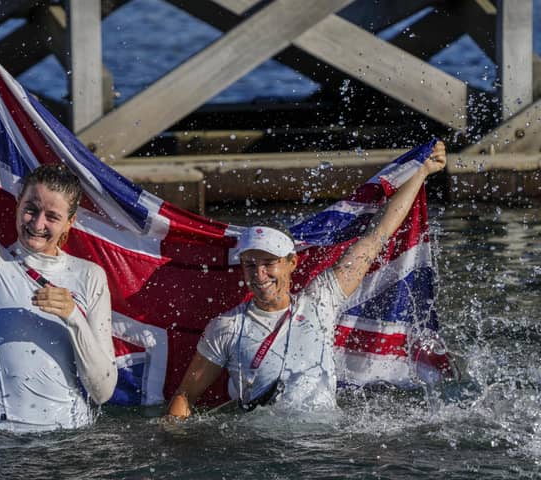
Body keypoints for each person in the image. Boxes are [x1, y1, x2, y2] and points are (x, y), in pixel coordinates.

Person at [166, 141, 447, 418]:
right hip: (259, 455)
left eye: (269, 263)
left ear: (291, 263)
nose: (259, 274)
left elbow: (378, 236)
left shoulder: (322, 299)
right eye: (250, 265)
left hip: (323, 454)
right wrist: (173, 438)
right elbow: (186, 395)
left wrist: (421, 172)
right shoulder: (227, 327)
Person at [0, 25, 117, 433]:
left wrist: (74, 318)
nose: (38, 223)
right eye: (31, 209)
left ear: (70, 224)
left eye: (52, 216)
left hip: (71, 444)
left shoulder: (89, 278)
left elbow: (103, 391)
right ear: (19, 205)